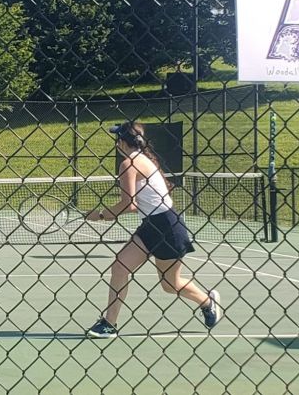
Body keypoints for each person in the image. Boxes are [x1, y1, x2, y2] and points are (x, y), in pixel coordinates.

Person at [85, 121, 221, 339]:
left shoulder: (129, 163)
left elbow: (129, 204)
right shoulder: (140, 160)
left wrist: (100, 215)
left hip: (167, 227)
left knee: (170, 285)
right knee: (120, 267)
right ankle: (109, 324)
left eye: (118, 139)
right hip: (150, 226)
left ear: (122, 142)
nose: (116, 143)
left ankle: (207, 301)